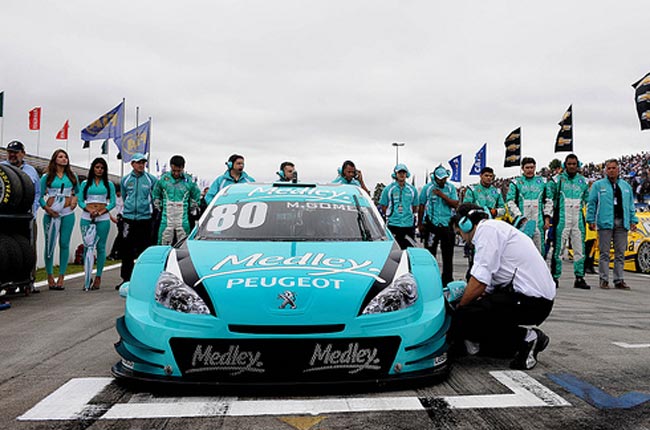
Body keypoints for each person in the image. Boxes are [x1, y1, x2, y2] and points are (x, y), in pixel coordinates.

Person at [449, 203, 556, 370]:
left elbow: (479, 282)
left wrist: (459, 307)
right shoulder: (494, 229)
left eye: (459, 232)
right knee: (476, 310)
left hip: (533, 301)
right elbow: (490, 281)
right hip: (530, 298)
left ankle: (528, 337)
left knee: (465, 315)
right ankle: (506, 347)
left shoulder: (487, 231)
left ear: (465, 223)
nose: (461, 237)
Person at [587, 159, 638, 290]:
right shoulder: (598, 185)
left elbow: (631, 205)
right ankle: (604, 279)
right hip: (605, 222)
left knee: (620, 253)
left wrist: (633, 220)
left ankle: (619, 279)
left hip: (622, 222)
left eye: (614, 168)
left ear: (618, 169)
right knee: (604, 253)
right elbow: (591, 203)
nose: (611, 170)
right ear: (605, 170)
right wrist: (590, 220)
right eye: (609, 168)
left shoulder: (626, 186)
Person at [547, 154, 591, 289]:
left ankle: (579, 278)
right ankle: (554, 278)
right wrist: (548, 216)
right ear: (564, 165)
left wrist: (590, 218)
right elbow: (549, 199)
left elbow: (588, 201)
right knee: (558, 250)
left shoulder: (583, 181)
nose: (572, 166)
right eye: (569, 164)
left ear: (577, 165)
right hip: (562, 219)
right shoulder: (556, 180)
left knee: (579, 250)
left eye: (574, 164)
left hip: (578, 220)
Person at [2, 140, 41, 293]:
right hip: (6, 214)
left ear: (22, 154)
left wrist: (34, 210)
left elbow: (37, 192)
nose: (13, 155)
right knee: (7, 247)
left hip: (27, 215)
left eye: (16, 152)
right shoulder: (2, 168)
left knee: (30, 247)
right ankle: (8, 281)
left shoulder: (31, 170)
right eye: (10, 152)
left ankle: (29, 282)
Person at [39, 149, 80, 290]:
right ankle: (50, 275)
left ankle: (62, 276)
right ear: (55, 159)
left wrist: (74, 201)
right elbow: (39, 195)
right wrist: (46, 208)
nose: (64, 159)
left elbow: (78, 192)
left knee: (64, 243)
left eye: (66, 157)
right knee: (50, 244)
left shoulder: (72, 176)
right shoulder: (47, 176)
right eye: (60, 157)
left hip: (67, 213)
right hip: (51, 214)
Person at [117, 153, 157, 290]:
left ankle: (144, 280)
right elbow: (124, 195)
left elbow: (154, 197)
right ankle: (126, 279)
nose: (141, 165)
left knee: (144, 250)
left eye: (143, 162)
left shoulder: (151, 179)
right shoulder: (125, 180)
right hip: (128, 218)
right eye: (138, 162)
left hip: (145, 219)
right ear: (132, 164)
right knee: (127, 250)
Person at [78, 157, 116, 290]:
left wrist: (101, 212)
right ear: (93, 168)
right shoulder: (85, 184)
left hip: (103, 218)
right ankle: (87, 277)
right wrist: (88, 209)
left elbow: (112, 203)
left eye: (102, 168)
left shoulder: (109, 184)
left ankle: (99, 276)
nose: (99, 170)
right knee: (88, 247)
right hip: (87, 217)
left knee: (100, 247)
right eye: (97, 167)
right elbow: (80, 201)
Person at [418, 164, 459, 286]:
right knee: (430, 255)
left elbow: (455, 204)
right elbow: (421, 205)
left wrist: (442, 195)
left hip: (447, 225)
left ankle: (447, 280)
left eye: (444, 179)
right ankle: (430, 280)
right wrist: (420, 224)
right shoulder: (427, 188)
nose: (442, 181)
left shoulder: (451, 188)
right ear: (434, 178)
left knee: (448, 255)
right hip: (432, 225)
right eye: (440, 179)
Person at [505, 157, 552, 253]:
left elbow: (549, 200)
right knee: (522, 251)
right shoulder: (516, 182)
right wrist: (519, 218)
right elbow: (510, 201)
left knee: (539, 251)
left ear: (535, 168)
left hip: (539, 222)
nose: (530, 170)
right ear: (522, 168)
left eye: (532, 167)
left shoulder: (543, 182)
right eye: (527, 167)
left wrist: (547, 218)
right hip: (522, 222)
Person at [152, 155, 201, 245]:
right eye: (174, 171)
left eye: (179, 171)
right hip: (166, 218)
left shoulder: (189, 180)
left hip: (182, 218)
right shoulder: (164, 179)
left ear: (183, 168)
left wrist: (193, 206)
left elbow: (196, 194)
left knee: (184, 243)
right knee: (163, 242)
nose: (176, 173)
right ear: (171, 166)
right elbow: (156, 193)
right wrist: (158, 204)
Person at [379, 163, 418, 250]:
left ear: (406, 174)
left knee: (408, 251)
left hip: (408, 225)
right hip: (393, 225)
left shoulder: (412, 190)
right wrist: (391, 215)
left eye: (404, 173)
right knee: (394, 251)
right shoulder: (388, 189)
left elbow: (415, 207)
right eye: (399, 172)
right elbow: (383, 206)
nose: (402, 175)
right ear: (395, 174)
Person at [108, 185, 124, 260]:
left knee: (122, 236)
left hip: (124, 216)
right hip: (120, 216)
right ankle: (114, 252)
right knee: (120, 235)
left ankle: (118, 252)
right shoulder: (114, 198)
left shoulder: (124, 197)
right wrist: (111, 217)